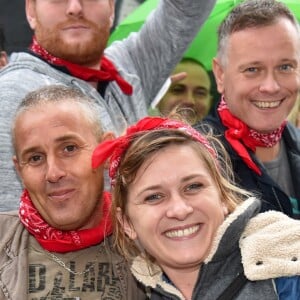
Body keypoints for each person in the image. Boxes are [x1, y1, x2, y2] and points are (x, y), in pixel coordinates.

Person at [0, 0, 216, 211]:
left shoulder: (129, 65)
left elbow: (190, 7)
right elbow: (7, 226)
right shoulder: (11, 94)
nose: (75, 8)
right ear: (31, 10)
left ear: (112, 7)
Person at [91, 116, 300, 300]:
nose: (180, 210)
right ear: (126, 222)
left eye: (193, 187)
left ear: (222, 196)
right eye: (154, 197)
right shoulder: (131, 291)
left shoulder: (286, 264)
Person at [0, 85, 146, 299]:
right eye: (35, 158)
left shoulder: (150, 243)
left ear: (105, 151)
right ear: (20, 170)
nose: (53, 173)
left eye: (69, 148)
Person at [194, 0, 300, 219]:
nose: (271, 86)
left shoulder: (295, 141)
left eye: (285, 67)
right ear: (220, 74)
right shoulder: (195, 159)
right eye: (252, 69)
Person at [154, 58, 213, 124]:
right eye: (178, 90)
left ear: (210, 102)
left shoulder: (222, 133)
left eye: (200, 93)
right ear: (158, 98)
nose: (189, 101)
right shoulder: (141, 132)